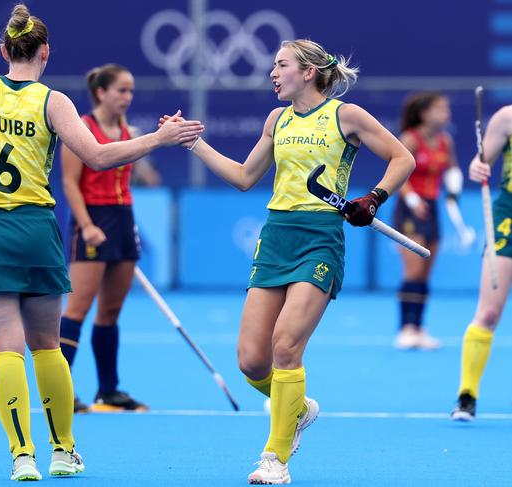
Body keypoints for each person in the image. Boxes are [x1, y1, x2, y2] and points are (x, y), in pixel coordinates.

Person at [0, 4, 202, 481]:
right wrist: (159, 139)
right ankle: (63, 450)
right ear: (45, 52)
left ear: (4, 50)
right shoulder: (54, 101)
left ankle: (22, 456)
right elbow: (100, 157)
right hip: (35, 231)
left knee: (6, 351)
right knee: (46, 346)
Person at [161, 39, 415, 484]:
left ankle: (274, 459)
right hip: (276, 237)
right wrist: (194, 144)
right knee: (251, 361)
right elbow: (243, 177)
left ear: (309, 72)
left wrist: (374, 198)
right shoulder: (276, 120)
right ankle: (296, 409)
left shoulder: (345, 116)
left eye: (281, 65)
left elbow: (402, 158)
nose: (272, 74)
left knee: (285, 347)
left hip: (320, 239)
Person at [59, 64, 153, 413]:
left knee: (111, 311)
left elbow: (139, 179)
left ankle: (108, 390)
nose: (127, 97)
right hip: (92, 219)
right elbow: (70, 182)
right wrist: (86, 225)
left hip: (123, 218)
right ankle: (60, 389)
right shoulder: (82, 129)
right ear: (101, 92)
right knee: (78, 308)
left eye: (130, 91)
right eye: (121, 90)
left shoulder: (130, 131)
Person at [451, 103, 512, 421]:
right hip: (507, 217)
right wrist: (477, 167)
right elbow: (481, 159)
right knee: (488, 312)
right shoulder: (507, 118)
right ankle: (467, 394)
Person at [393, 92, 464, 350]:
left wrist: (453, 192)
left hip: (432, 208)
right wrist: (413, 200)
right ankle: (405, 329)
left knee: (425, 272)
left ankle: (419, 328)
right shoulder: (410, 139)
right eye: (440, 109)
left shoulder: (446, 141)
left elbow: (453, 169)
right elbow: (396, 175)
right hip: (410, 208)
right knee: (413, 271)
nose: (446, 114)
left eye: (447, 109)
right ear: (424, 114)